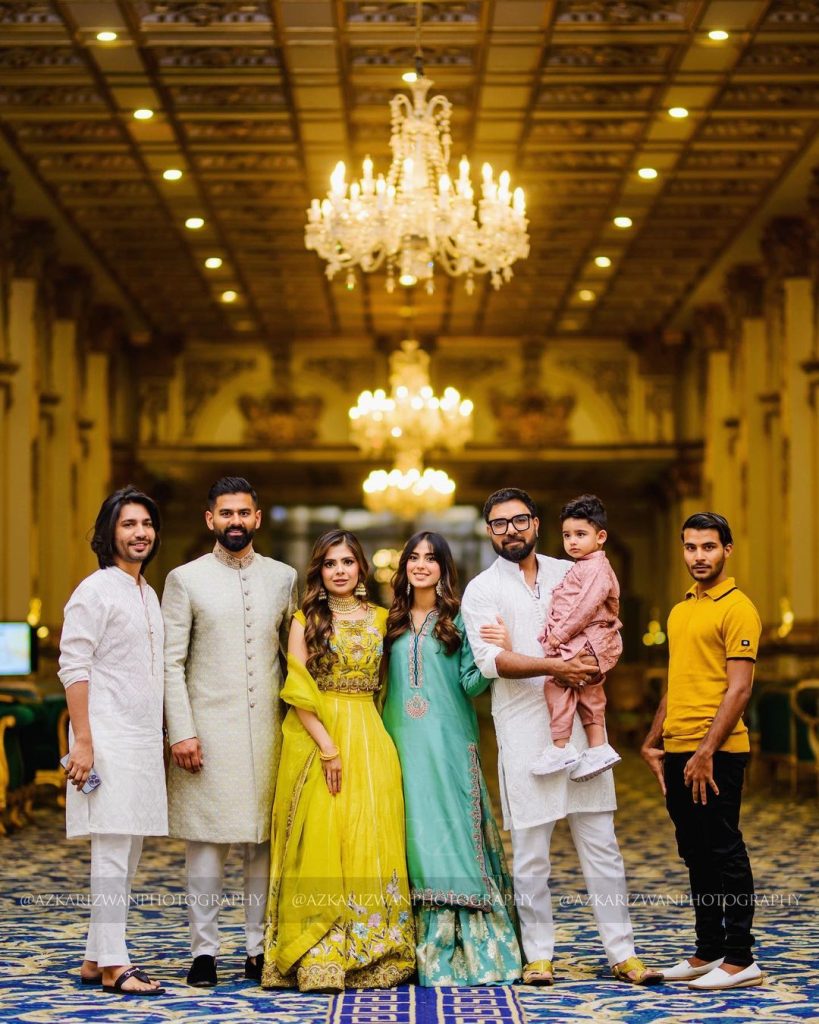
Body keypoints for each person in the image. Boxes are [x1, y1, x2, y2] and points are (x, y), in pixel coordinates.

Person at [461, 487, 660, 986]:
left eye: (521, 520)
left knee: (600, 842)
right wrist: (553, 663)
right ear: (489, 531)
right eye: (500, 523)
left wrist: (578, 664)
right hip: (524, 732)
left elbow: (603, 624)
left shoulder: (573, 568)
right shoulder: (482, 590)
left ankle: (622, 951)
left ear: (536, 523)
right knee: (530, 851)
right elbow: (493, 663)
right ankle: (540, 954)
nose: (512, 531)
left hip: (582, 730)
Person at [261, 529, 415, 991]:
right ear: (319, 571)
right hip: (319, 736)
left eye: (347, 562)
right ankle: (319, 950)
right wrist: (328, 746)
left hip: (372, 737)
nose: (340, 571)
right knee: (323, 838)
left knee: (371, 837)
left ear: (361, 568)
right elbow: (298, 688)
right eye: (330, 564)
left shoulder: (384, 619)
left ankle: (374, 949)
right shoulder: (304, 618)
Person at [162, 477, 298, 987]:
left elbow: (294, 659)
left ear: (257, 518)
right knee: (205, 843)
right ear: (210, 519)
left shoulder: (283, 578)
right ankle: (204, 951)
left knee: (262, 844)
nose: (235, 522)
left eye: (244, 513)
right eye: (226, 514)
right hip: (205, 733)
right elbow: (170, 663)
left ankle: (258, 949)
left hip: (268, 732)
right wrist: (181, 732)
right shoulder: (184, 579)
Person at [382, 531, 522, 986]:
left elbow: (471, 683)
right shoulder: (390, 622)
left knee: (452, 827)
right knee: (410, 829)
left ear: (445, 567)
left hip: (449, 740)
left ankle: (466, 940)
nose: (421, 565)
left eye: (431, 558)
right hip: (397, 741)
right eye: (414, 558)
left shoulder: (459, 619)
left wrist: (495, 649)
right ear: (403, 566)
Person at [641, 512, 763, 991]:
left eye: (708, 547)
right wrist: (655, 739)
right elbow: (677, 684)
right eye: (690, 547)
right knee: (694, 853)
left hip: (719, 752)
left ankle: (741, 956)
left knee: (724, 849)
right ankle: (708, 949)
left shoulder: (739, 609)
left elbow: (739, 689)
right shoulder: (680, 611)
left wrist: (707, 750)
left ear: (726, 550)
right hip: (680, 749)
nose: (698, 556)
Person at [58, 486, 167, 996]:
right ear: (109, 533)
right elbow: (73, 666)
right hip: (105, 739)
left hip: (142, 741)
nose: (139, 532)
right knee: (111, 853)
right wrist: (84, 741)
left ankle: (94, 957)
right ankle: (115, 965)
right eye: (128, 524)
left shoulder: (146, 591)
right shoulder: (94, 590)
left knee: (129, 852)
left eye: (145, 524)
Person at [530, 494, 622, 781]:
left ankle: (560, 746)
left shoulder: (595, 569)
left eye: (581, 534)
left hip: (587, 641)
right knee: (589, 692)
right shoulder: (584, 566)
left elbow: (584, 608)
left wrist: (556, 636)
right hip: (591, 641)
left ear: (601, 536)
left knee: (557, 682)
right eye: (567, 535)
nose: (572, 541)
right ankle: (599, 747)